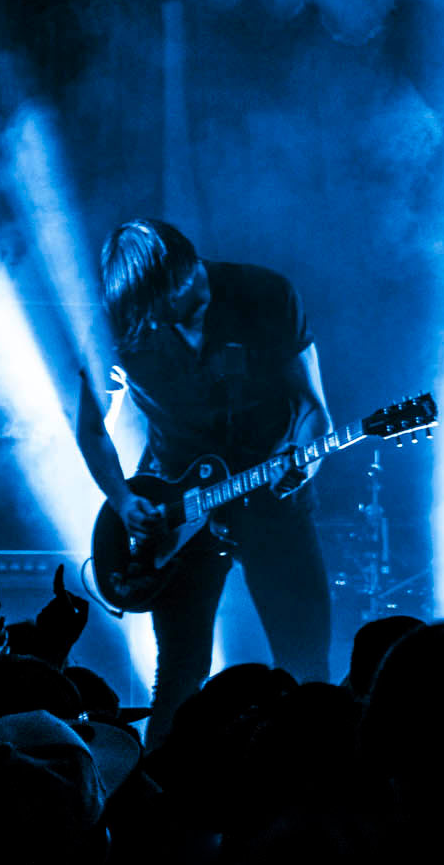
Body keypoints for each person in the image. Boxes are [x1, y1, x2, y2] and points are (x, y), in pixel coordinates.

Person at [72, 219, 333, 741]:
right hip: (176, 510)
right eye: (142, 310)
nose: (151, 320)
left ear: (185, 272)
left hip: (271, 499)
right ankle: (159, 785)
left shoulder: (265, 294)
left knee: (305, 668)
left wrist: (303, 464)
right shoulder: (120, 320)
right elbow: (92, 430)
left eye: (158, 303)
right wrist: (123, 500)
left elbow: (312, 408)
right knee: (178, 678)